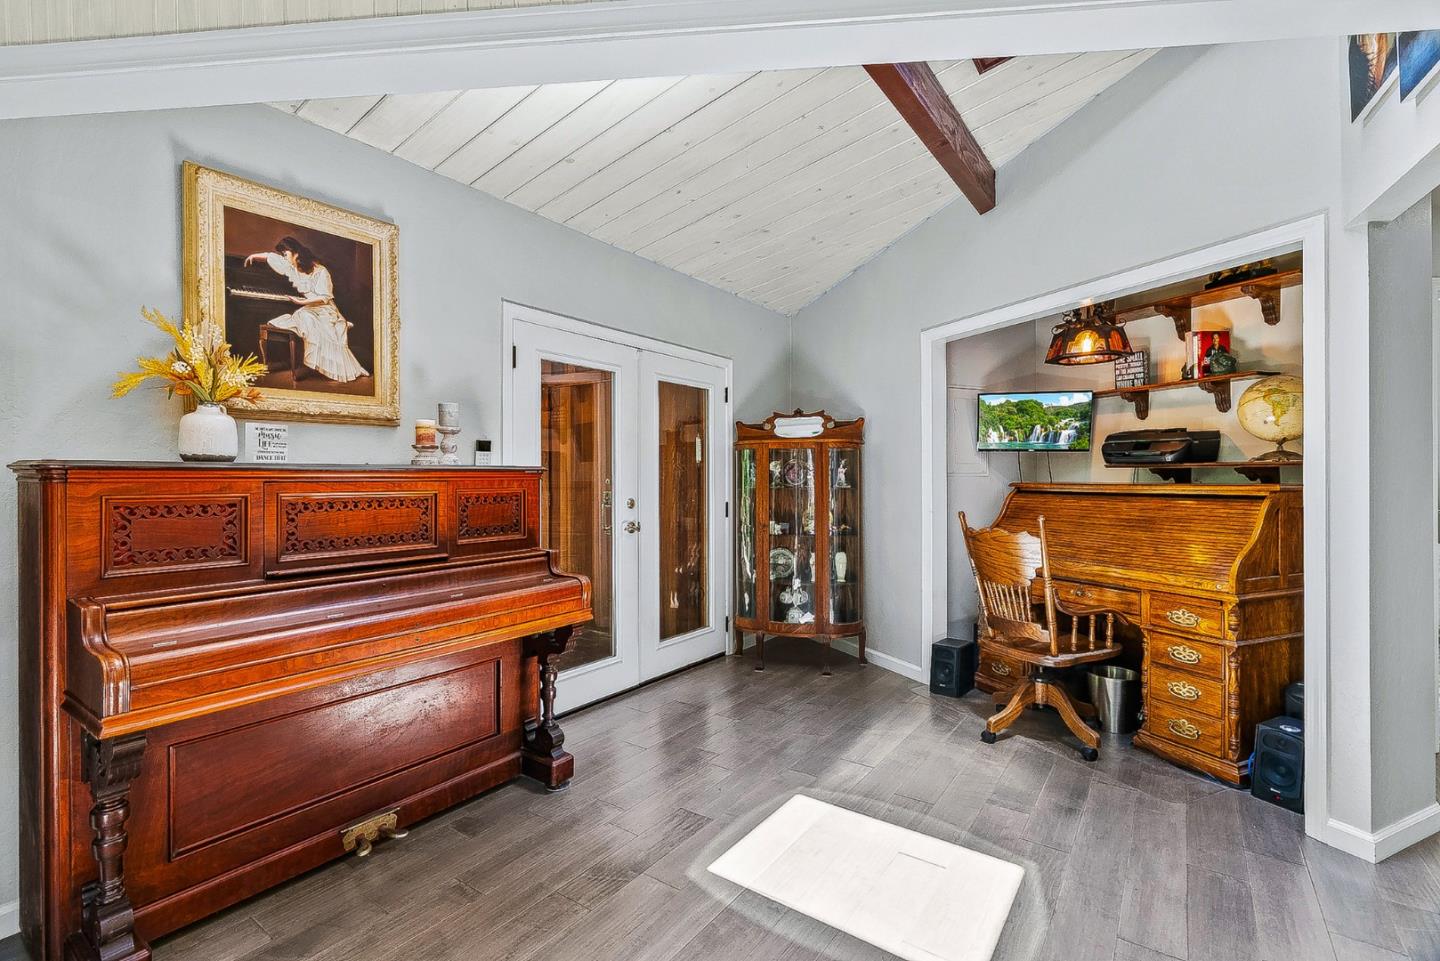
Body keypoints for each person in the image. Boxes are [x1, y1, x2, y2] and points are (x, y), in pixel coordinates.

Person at [244, 236, 368, 383]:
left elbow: (324, 298)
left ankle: (340, 330)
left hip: (325, 309)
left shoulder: (320, 271)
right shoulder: (292, 267)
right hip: (309, 308)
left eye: (285, 254)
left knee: (306, 317)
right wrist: (253, 256)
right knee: (304, 316)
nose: (283, 258)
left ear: (295, 251)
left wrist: (301, 301)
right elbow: (271, 257)